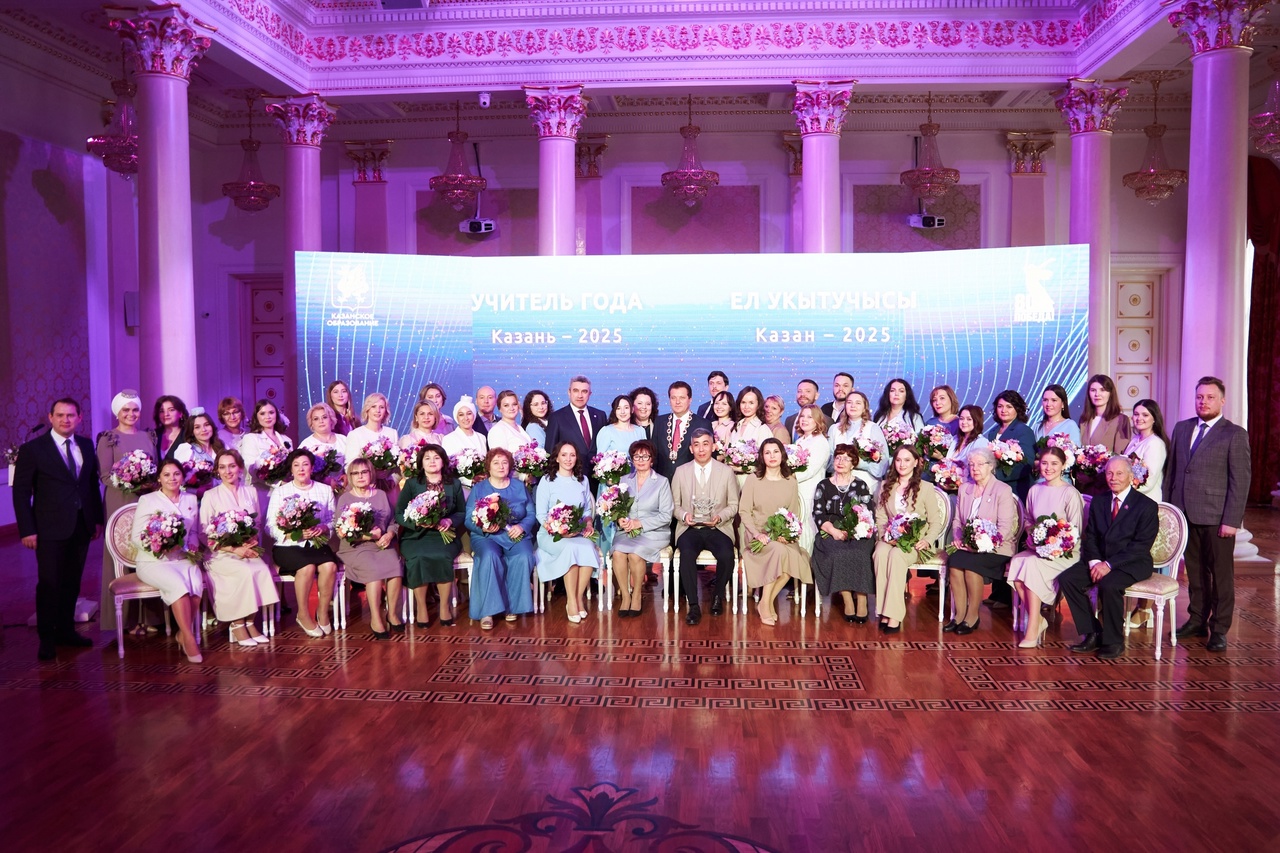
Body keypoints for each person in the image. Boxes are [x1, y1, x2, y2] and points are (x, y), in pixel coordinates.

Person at [13, 398, 105, 660]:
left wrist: (96, 520)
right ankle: (47, 638)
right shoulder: (33, 449)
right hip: (48, 528)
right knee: (50, 583)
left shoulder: (86, 445)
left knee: (72, 582)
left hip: (81, 525)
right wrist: (27, 529)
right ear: (50, 417)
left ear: (79, 418)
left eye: (71, 415)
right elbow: (21, 492)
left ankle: (66, 631)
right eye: (61, 415)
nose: (66, 420)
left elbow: (90, 485)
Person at [1165, 376, 1251, 652]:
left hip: (1217, 518)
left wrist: (1231, 520)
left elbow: (1240, 481)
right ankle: (1197, 620)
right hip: (1185, 514)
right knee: (1195, 571)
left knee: (1221, 575)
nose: (1204, 402)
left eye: (1210, 397)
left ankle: (1220, 628)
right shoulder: (1182, 428)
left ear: (1222, 401)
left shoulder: (1234, 434)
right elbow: (1172, 473)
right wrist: (1169, 511)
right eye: (1200, 397)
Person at [1062, 456, 1159, 659]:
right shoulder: (1099, 501)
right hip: (1101, 559)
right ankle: (1092, 633)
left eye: (1119, 473)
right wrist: (1095, 561)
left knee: (1109, 584)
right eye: (1109, 473)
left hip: (1131, 562)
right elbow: (1091, 536)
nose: (1113, 478)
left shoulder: (1146, 506)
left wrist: (1109, 564)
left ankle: (1114, 641)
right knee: (1068, 579)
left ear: (1131, 477)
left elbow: (1140, 547)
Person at [199, 449, 278, 647]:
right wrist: (233, 549)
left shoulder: (250, 492)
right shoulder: (210, 495)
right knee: (244, 572)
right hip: (220, 553)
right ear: (217, 470)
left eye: (232, 466)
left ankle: (250, 622)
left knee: (260, 569)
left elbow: (256, 523)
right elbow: (203, 533)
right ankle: (237, 623)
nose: (228, 471)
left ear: (240, 468)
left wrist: (251, 541)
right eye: (222, 467)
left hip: (246, 548)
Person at [1007, 447, 1084, 648]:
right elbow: (1028, 519)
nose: (1048, 468)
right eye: (1044, 463)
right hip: (1039, 549)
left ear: (1063, 466)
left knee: (1031, 566)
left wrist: (1055, 545)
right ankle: (1038, 619)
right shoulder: (1035, 490)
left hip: (1065, 552)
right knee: (1017, 562)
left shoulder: (1070, 493)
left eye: (1054, 464)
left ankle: (1032, 628)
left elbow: (1076, 530)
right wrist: (1033, 535)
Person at [95, 389, 157, 633]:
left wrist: (146, 483)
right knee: (123, 553)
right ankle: (126, 620)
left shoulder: (147, 436)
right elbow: (105, 475)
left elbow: (155, 468)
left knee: (148, 550)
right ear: (117, 412)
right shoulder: (109, 438)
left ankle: (149, 617)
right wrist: (129, 482)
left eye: (135, 409)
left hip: (146, 499)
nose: (131, 414)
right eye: (126, 410)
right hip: (120, 500)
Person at [130, 459, 204, 662]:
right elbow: (136, 537)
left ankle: (181, 634)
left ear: (183, 477)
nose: (172, 478)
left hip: (182, 558)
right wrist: (160, 544)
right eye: (167, 474)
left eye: (176, 474)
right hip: (153, 561)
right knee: (179, 587)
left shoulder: (190, 499)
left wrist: (192, 545)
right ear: (159, 479)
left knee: (196, 584)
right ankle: (189, 638)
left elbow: (193, 532)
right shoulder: (148, 500)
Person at [943, 447, 1019, 636]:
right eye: (971, 465)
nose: (974, 468)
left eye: (979, 464)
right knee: (955, 562)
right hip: (967, 545)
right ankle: (959, 616)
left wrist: (984, 544)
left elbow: (1005, 528)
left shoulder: (1002, 490)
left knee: (971, 566)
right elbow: (958, 521)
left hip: (996, 548)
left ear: (991, 466)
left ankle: (972, 616)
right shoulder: (965, 488)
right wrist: (958, 538)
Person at [872, 445, 945, 633]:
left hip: (916, 542)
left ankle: (894, 615)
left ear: (916, 462)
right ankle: (883, 611)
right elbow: (881, 517)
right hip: (890, 539)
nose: (902, 464)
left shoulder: (926, 488)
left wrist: (927, 540)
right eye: (898, 460)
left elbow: (935, 521)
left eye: (906, 460)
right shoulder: (885, 486)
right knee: (880, 553)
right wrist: (885, 536)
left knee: (896, 556)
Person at [266, 449, 339, 637]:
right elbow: (270, 526)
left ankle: (322, 612)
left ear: (312, 468)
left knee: (330, 566)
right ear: (291, 469)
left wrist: (323, 528)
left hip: (316, 543)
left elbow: (333, 520)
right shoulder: (281, 492)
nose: (301, 469)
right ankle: (303, 614)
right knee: (307, 568)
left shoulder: (324, 490)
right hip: (288, 546)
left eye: (305, 464)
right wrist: (292, 535)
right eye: (296, 465)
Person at [740, 438, 811, 627]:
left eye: (776, 451)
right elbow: (744, 511)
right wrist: (757, 534)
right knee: (779, 552)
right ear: (762, 457)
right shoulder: (753, 479)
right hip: (758, 534)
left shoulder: (791, 481)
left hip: (782, 536)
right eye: (767, 452)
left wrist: (787, 535)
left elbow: (793, 514)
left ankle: (766, 601)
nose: (772, 456)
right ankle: (765, 605)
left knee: (791, 559)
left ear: (782, 455)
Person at [671, 429, 740, 622]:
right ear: (691, 448)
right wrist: (684, 515)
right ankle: (693, 605)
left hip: (718, 527)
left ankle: (717, 596)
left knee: (726, 554)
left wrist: (719, 517)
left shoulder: (726, 472)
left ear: (713, 446)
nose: (701, 449)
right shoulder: (681, 471)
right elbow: (674, 505)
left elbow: (733, 505)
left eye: (705, 444)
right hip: (690, 528)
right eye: (696, 445)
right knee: (687, 554)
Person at [465, 448, 535, 628]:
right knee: (490, 556)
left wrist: (522, 527)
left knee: (524, 556)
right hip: (487, 536)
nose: (501, 466)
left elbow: (530, 513)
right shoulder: (479, 488)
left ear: (510, 466)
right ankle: (487, 611)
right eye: (496, 463)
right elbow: (468, 519)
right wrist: (484, 527)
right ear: (488, 466)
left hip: (514, 533)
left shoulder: (519, 486)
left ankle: (511, 606)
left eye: (504, 462)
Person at [396, 444, 465, 628]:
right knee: (418, 558)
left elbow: (461, 512)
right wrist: (416, 523)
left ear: (443, 461)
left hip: (443, 534)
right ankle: (421, 607)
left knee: (442, 556)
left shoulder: (454, 484)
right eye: (427, 458)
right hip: (416, 535)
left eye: (436, 457)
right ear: (421, 463)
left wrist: (449, 521)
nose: (432, 461)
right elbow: (399, 513)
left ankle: (444, 606)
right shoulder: (412, 483)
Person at [334, 458, 403, 639]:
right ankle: (375, 618)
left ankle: (392, 613)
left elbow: (393, 521)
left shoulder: (381, 494)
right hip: (355, 547)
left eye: (364, 472)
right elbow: (341, 531)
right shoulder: (345, 498)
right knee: (374, 571)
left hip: (381, 544)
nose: (360, 476)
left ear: (371, 473)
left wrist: (389, 535)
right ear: (350, 476)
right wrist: (368, 536)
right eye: (355, 473)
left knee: (395, 567)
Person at [535, 441, 599, 624]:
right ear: (557, 458)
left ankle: (578, 598)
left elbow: (587, 511)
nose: (568, 459)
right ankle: (570, 601)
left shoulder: (582, 480)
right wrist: (558, 530)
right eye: (564, 455)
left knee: (588, 548)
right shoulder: (547, 481)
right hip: (550, 534)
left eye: (572, 455)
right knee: (570, 549)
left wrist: (588, 524)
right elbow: (541, 515)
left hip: (577, 532)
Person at [812, 444, 875, 623]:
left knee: (861, 553)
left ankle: (861, 598)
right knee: (838, 553)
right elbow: (818, 514)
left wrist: (856, 530)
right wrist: (833, 531)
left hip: (858, 531)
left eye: (846, 459)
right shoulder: (824, 485)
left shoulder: (860, 485)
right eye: (838, 457)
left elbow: (868, 512)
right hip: (830, 531)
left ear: (853, 463)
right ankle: (847, 598)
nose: (841, 462)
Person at [610, 440, 674, 618]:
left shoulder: (661, 482)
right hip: (626, 531)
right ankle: (626, 596)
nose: (640, 460)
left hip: (654, 532)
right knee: (618, 553)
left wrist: (640, 523)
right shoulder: (624, 480)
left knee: (635, 553)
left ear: (652, 460)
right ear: (632, 459)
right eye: (637, 456)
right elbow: (617, 508)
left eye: (645, 456)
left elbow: (666, 516)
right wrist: (620, 519)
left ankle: (637, 594)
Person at [592, 395, 645, 555]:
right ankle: (608, 563)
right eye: (619, 408)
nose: (623, 411)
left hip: (634, 485)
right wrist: (610, 478)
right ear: (614, 411)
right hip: (611, 487)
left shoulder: (640, 431)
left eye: (626, 407)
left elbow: (644, 456)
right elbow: (599, 461)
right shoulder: (607, 431)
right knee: (610, 526)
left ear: (632, 409)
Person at [543, 376, 607, 468]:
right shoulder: (556, 417)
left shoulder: (600, 415)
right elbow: (550, 451)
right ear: (569, 392)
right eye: (576, 391)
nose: (580, 395)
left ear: (590, 394)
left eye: (584, 391)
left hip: (596, 473)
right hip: (570, 472)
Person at [792, 405, 831, 554]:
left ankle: (807, 565)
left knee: (807, 530)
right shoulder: (800, 440)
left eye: (809, 417)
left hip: (810, 492)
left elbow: (810, 470)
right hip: (797, 491)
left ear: (817, 420)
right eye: (802, 416)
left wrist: (788, 477)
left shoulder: (820, 442)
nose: (804, 420)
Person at [827, 392, 887, 488]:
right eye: (849, 402)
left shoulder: (873, 428)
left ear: (864, 408)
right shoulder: (834, 429)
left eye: (858, 403)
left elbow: (883, 462)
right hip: (839, 483)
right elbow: (828, 460)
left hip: (866, 483)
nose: (853, 406)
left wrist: (860, 463)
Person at [653, 381, 710, 480]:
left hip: (691, 481)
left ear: (690, 400)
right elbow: (654, 454)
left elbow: (708, 458)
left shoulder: (703, 424)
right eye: (673, 398)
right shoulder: (659, 422)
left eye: (682, 398)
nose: (677, 402)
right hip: (663, 481)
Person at [986, 389, 1036, 500]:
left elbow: (1027, 464)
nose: (1003, 410)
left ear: (1017, 409)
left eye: (1009, 407)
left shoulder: (1023, 431)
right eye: (1000, 406)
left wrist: (997, 475)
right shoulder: (993, 432)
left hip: (1016, 489)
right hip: (994, 488)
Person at [346, 392, 400, 494]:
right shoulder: (355, 434)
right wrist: (367, 480)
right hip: (364, 489)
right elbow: (350, 465)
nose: (377, 411)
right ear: (367, 409)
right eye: (373, 406)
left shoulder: (392, 433)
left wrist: (393, 480)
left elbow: (398, 463)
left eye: (381, 407)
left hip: (388, 487)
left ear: (386, 411)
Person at [168, 410, 225, 498]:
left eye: (206, 425)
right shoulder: (187, 449)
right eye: (197, 427)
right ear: (192, 431)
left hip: (222, 497)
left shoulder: (221, 447)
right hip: (197, 499)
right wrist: (197, 491)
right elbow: (179, 483)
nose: (203, 430)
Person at [239, 398, 294, 487]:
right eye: (262, 413)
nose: (267, 417)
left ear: (276, 415)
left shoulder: (287, 440)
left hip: (286, 488)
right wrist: (278, 483)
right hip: (262, 490)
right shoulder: (250, 438)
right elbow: (251, 468)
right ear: (256, 416)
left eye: (271, 413)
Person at [441, 396, 489, 490]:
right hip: (461, 488)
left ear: (474, 415)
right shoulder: (448, 439)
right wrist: (470, 481)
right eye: (461, 415)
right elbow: (448, 470)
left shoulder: (482, 437)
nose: (466, 418)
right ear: (456, 417)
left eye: (469, 413)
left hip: (483, 485)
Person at [1078, 373, 1132, 455]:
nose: (1097, 394)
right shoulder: (1084, 420)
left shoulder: (1121, 420)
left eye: (1102, 390)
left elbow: (1120, 454)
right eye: (1093, 390)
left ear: (1110, 393)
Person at [947, 405, 990, 475]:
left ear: (976, 421)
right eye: (961, 419)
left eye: (969, 419)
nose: (964, 422)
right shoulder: (955, 439)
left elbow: (978, 468)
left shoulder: (981, 442)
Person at [153, 394, 189, 459]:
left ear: (181, 413)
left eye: (171, 410)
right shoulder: (153, 435)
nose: (166, 414)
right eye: (161, 411)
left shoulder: (188, 435)